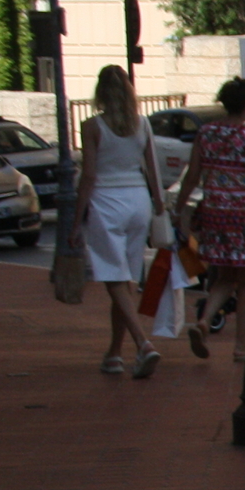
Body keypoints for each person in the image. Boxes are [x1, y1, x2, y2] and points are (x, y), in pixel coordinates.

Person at [76, 64, 165, 377]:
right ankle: (114, 353)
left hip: (105, 202)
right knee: (125, 280)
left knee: (114, 278)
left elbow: (88, 175)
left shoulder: (92, 127)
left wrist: (76, 221)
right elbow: (153, 168)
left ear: (100, 92)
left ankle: (143, 343)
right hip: (138, 201)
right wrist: (160, 205)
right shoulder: (142, 124)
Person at [175, 78, 245, 363]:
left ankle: (204, 320)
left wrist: (178, 207)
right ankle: (242, 346)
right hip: (244, 214)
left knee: (223, 276)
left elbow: (193, 175)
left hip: (213, 212)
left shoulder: (206, 133)